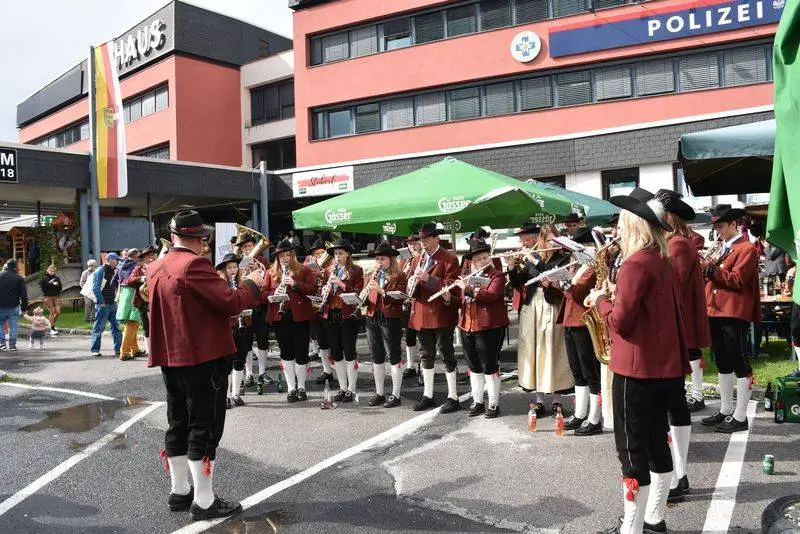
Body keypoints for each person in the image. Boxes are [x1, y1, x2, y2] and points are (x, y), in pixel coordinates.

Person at [148, 210, 263, 520]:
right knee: (204, 427)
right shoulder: (195, 264)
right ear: (199, 239)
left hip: (172, 357)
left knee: (178, 422)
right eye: (203, 240)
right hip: (203, 358)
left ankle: (180, 492)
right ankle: (204, 501)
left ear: (173, 237)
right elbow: (230, 302)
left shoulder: (155, 266)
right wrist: (251, 284)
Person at [587, 188, 688, 534]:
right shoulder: (662, 260)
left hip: (634, 372)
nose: (617, 228)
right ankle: (655, 520)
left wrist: (601, 301)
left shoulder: (633, 264)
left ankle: (631, 528)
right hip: (663, 370)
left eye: (621, 222)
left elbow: (620, 322)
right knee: (658, 444)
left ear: (634, 225)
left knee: (631, 451)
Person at [656, 189, 712, 503]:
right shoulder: (676, 243)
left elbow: (669, 288)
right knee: (673, 404)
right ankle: (678, 474)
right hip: (674, 331)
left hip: (675, 332)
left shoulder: (676, 244)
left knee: (674, 405)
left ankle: (679, 474)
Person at [699, 204, 760, 433]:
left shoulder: (747, 249)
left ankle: (741, 415)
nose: (718, 232)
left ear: (734, 224)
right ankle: (726, 409)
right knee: (722, 361)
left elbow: (736, 280)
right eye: (716, 228)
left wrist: (710, 269)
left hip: (734, 312)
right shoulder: (723, 247)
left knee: (738, 360)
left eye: (722, 227)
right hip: (715, 310)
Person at [508, 223, 573, 416]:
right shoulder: (535, 257)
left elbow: (548, 274)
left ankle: (556, 399)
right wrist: (512, 266)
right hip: (531, 307)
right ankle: (538, 400)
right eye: (548, 240)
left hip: (551, 306)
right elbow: (519, 282)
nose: (551, 243)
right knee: (534, 350)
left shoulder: (563, 258)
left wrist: (533, 261)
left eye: (554, 238)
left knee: (552, 350)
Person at [408, 223, 461, 412]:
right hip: (421, 312)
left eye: (427, 240)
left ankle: (453, 395)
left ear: (437, 239)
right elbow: (413, 289)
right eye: (421, 241)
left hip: (440, 312)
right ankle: (428, 394)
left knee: (446, 353)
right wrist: (412, 283)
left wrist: (427, 279)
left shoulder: (449, 258)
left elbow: (451, 285)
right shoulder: (416, 260)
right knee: (425, 354)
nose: (423, 244)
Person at [455, 241, 509, 418]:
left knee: (489, 366)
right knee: (474, 366)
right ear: (472, 262)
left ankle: (493, 404)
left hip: (489, 326)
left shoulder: (497, 275)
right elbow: (462, 301)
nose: (483, 261)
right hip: (467, 325)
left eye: (486, 257)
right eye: (479, 259)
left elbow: (492, 296)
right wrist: (450, 297)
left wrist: (468, 288)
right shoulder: (467, 276)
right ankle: (477, 401)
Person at [560, 226, 603, 435]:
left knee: (589, 371)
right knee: (577, 371)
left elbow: (579, 294)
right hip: (570, 322)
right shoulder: (577, 266)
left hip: (583, 324)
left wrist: (567, 283)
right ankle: (580, 413)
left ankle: (595, 417)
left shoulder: (592, 267)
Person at [264, 239, 317, 402]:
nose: (285, 259)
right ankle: (291, 388)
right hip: (281, 316)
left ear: (292, 255)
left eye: (288, 255)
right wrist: (275, 291)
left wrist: (295, 284)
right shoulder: (270, 273)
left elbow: (313, 289)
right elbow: (263, 294)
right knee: (286, 353)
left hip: (300, 316)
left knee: (301, 353)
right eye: (281, 256)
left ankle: (301, 387)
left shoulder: (304, 270)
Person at [363, 242, 408, 408]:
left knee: (394, 355)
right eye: (377, 259)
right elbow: (366, 299)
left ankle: (396, 394)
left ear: (390, 260)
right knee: (376, 355)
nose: (379, 262)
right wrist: (362, 296)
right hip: (372, 316)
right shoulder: (370, 275)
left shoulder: (400, 276)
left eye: (382, 259)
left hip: (390, 318)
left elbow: (401, 298)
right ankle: (379, 393)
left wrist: (382, 291)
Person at [320, 238, 364, 402]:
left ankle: (351, 389)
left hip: (348, 315)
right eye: (335, 254)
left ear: (347, 254)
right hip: (331, 314)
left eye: (340, 253)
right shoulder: (328, 270)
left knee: (349, 351)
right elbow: (323, 293)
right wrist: (325, 289)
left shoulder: (356, 270)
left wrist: (342, 284)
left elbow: (359, 293)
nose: (337, 257)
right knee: (336, 352)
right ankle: (342, 387)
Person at [236, 233, 273, 393]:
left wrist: (260, 270)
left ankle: (263, 372)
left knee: (263, 339)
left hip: (261, 306)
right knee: (247, 341)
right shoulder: (237, 264)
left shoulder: (263, 262)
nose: (247, 249)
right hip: (246, 308)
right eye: (244, 247)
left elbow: (270, 282)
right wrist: (243, 274)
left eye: (250, 246)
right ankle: (250, 373)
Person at [215, 253, 251, 408]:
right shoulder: (219, 285)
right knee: (226, 363)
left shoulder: (242, 283)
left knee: (239, 360)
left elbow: (250, 300)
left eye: (235, 267)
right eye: (229, 267)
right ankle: (225, 396)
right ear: (223, 270)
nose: (233, 270)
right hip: (226, 328)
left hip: (242, 326)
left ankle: (235, 393)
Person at [306, 239, 336, 386]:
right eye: (316, 254)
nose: (318, 256)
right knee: (322, 342)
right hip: (314, 308)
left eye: (321, 253)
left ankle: (341, 372)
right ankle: (327, 371)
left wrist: (323, 274)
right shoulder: (309, 268)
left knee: (334, 342)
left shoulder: (331, 268)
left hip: (329, 308)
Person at [124, 246, 157, 356]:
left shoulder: (160, 267)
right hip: (143, 303)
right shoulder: (139, 269)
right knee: (147, 328)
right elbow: (129, 281)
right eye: (149, 256)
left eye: (153, 255)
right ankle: (150, 352)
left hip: (158, 301)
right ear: (144, 258)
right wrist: (142, 278)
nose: (152, 258)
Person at [90, 253, 123, 358]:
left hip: (112, 303)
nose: (118, 262)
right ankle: (95, 350)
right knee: (99, 328)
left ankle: (118, 349)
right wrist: (102, 301)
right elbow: (95, 288)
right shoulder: (100, 270)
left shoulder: (115, 270)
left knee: (116, 327)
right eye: (116, 260)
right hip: (103, 305)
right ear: (110, 260)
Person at [401, 234, 423, 382]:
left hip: (420, 301)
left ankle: (423, 367)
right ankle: (410, 365)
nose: (412, 247)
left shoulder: (423, 259)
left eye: (415, 244)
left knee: (423, 336)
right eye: (410, 245)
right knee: (409, 335)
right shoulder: (406, 261)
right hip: (408, 302)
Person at [116, 248, 142, 361]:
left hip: (124, 294)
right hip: (133, 294)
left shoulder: (120, 266)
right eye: (139, 256)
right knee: (132, 323)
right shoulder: (135, 267)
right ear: (135, 257)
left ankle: (134, 349)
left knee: (132, 324)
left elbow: (113, 281)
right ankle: (124, 351)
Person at [0, 259, 28, 351]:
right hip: (14, 305)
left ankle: (2, 343)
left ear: (7, 266)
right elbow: (24, 295)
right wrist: (24, 308)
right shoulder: (18, 278)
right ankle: (12, 345)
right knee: (13, 325)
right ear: (15, 267)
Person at [40, 264, 62, 336]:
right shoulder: (44, 278)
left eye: (53, 271)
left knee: (58, 312)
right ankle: (52, 328)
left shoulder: (57, 278)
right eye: (51, 271)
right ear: (48, 270)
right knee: (52, 312)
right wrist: (51, 284)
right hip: (48, 296)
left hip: (56, 296)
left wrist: (57, 285)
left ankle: (51, 324)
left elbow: (60, 287)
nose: (52, 272)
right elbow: (43, 289)